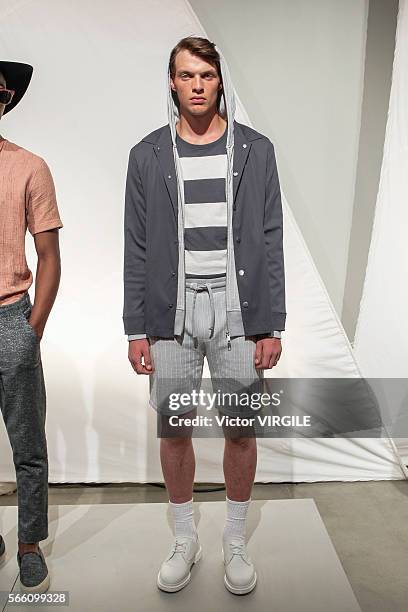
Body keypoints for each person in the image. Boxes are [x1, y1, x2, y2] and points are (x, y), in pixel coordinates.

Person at [123, 35, 286, 595]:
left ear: (220, 81)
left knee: (240, 427)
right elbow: (137, 245)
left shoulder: (255, 151)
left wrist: (271, 321)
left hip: (239, 309)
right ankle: (185, 538)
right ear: (172, 82)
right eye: (186, 75)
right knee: (175, 427)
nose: (197, 86)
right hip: (172, 310)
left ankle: (234, 542)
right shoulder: (146, 155)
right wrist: (136, 325)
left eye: (206, 76)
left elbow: (271, 238)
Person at [0, 61, 63, 593]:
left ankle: (28, 543)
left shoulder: (29, 166)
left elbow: (49, 256)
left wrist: (32, 325)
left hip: (9, 317)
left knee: (27, 443)